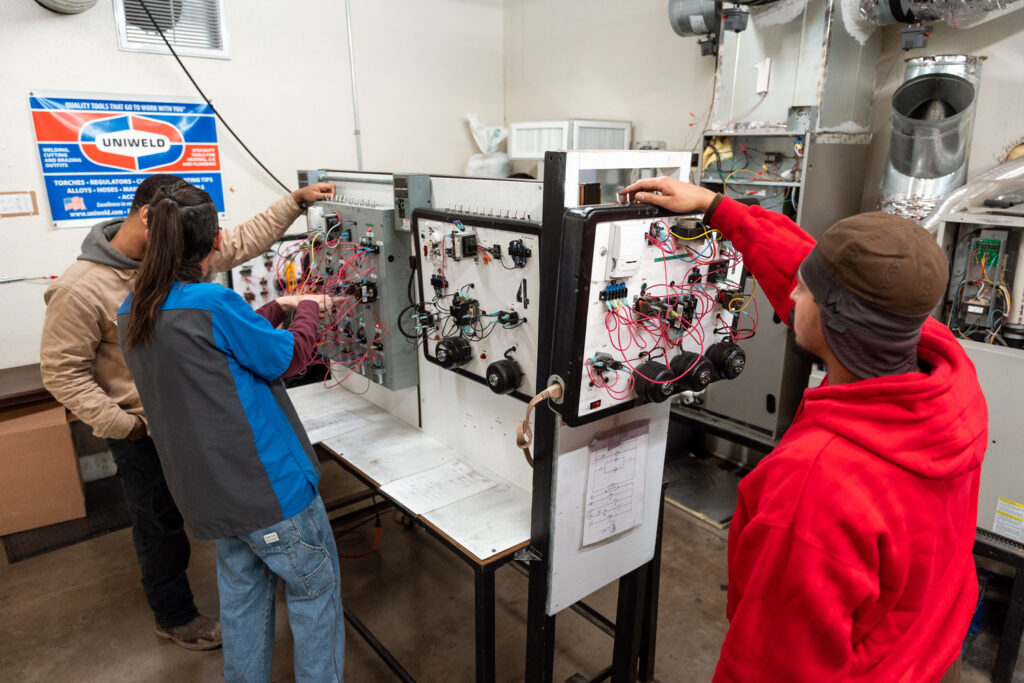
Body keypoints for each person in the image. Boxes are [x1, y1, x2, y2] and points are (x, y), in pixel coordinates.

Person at [620, 178, 985, 683]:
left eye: (805, 290)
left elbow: (771, 666)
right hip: (928, 650)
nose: (790, 292)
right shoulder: (946, 381)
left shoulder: (816, 485)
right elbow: (821, 273)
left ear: (835, 320)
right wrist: (719, 209)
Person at [40, 174, 335, 650]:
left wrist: (294, 203)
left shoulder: (179, 267)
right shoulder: (82, 289)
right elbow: (61, 372)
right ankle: (174, 616)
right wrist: (127, 425)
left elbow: (235, 241)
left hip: (203, 422)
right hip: (146, 429)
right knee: (159, 526)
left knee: (228, 536)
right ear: (148, 219)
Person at [117, 180, 344, 682]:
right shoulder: (214, 303)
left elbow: (213, 346)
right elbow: (286, 358)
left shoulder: (133, 310)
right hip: (270, 495)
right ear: (216, 243)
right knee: (315, 595)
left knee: (242, 603)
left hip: (211, 499)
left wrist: (275, 308)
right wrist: (306, 307)